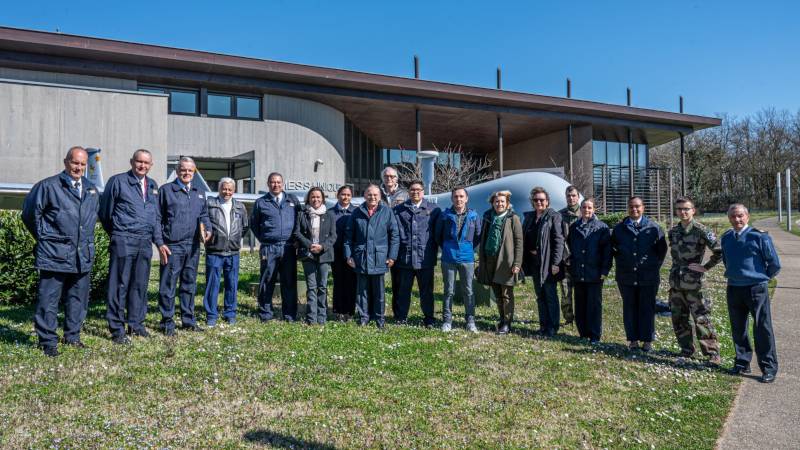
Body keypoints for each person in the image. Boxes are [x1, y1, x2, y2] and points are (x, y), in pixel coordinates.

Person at [22, 146, 100, 357]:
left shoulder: (91, 189)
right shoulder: (48, 186)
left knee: (78, 299)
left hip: (81, 255)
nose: (79, 167)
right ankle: (47, 341)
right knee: (49, 299)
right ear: (66, 162)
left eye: (83, 164)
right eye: (75, 163)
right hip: (53, 254)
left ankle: (72, 336)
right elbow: (30, 214)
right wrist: (46, 238)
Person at [99, 149, 159, 343]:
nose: (142, 165)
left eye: (146, 163)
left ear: (151, 165)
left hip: (144, 242)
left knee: (139, 284)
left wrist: (158, 241)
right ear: (131, 161)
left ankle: (136, 324)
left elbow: (155, 216)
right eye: (139, 161)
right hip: (123, 239)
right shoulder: (117, 181)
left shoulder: (153, 186)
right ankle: (117, 328)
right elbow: (105, 212)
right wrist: (118, 232)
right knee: (119, 285)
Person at [721, 204, 780, 383]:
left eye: (740, 216)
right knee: (738, 328)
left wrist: (760, 279)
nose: (737, 220)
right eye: (733, 217)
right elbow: (726, 260)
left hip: (756, 288)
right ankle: (742, 362)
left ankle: (768, 367)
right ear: (729, 218)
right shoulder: (727, 237)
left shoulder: (759, 237)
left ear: (747, 216)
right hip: (734, 288)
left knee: (762, 328)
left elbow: (774, 264)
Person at [154, 156, 212, 336]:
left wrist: (208, 228)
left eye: (190, 170)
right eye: (183, 170)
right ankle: (167, 322)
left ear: (194, 172)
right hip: (172, 246)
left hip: (193, 246)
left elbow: (204, 215)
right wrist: (160, 243)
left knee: (189, 284)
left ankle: (188, 320)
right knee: (168, 285)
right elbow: (156, 218)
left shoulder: (199, 191)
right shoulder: (166, 190)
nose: (186, 173)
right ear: (177, 171)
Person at [667, 197, 723, 365]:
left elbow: (719, 251)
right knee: (679, 318)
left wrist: (706, 267)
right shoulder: (673, 232)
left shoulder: (702, 230)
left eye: (686, 209)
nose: (682, 212)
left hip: (694, 284)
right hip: (676, 283)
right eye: (679, 209)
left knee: (701, 319)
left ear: (693, 210)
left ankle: (712, 354)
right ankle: (686, 350)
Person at [611, 196, 667, 352]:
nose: (634, 209)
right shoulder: (619, 229)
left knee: (647, 308)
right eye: (631, 207)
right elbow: (614, 249)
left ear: (643, 207)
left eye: (637, 206)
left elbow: (662, 250)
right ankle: (633, 340)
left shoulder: (654, 228)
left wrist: (653, 266)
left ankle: (647, 340)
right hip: (626, 276)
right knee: (629, 307)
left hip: (648, 276)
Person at [345, 184, 399, 328]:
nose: (372, 197)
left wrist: (392, 256)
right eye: (369, 194)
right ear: (365, 196)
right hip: (361, 258)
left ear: (380, 197)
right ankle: (364, 317)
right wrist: (349, 255)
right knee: (361, 291)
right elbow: (348, 237)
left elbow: (394, 236)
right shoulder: (357, 212)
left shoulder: (387, 212)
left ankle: (380, 318)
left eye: (375, 195)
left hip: (379, 258)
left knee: (379, 292)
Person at [250, 172, 301, 322]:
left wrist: (296, 240)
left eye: (278, 182)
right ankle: (265, 313)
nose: (276, 185)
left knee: (289, 281)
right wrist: (266, 239)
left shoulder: (292, 201)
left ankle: (289, 314)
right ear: (268, 184)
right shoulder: (261, 202)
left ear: (283, 183)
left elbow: (299, 221)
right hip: (269, 248)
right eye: (273, 182)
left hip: (288, 248)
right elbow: (254, 224)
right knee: (267, 280)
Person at [393, 180, 441, 326]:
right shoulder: (399, 210)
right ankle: (401, 317)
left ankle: (429, 318)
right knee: (403, 291)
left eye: (418, 190)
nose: (415, 192)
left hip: (424, 258)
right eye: (412, 190)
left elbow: (437, 234)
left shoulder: (434, 210)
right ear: (409, 192)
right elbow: (395, 233)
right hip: (405, 258)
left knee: (426, 291)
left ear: (423, 191)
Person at [202, 177, 249, 327]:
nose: (227, 192)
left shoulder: (240, 207)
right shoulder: (210, 204)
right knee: (212, 285)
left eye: (230, 189)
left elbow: (244, 227)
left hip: (233, 252)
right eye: (224, 188)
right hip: (215, 251)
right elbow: (203, 224)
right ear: (219, 188)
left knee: (232, 284)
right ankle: (211, 315)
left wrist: (233, 240)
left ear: (233, 190)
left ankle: (230, 313)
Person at [476, 190, 523, 335]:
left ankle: (507, 323)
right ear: (492, 203)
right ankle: (502, 319)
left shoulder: (512, 218)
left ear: (507, 203)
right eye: (497, 201)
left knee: (506, 293)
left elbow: (519, 242)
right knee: (496, 293)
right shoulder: (488, 217)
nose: (499, 204)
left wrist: (517, 263)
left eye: (502, 201)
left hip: (506, 261)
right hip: (490, 260)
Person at [436, 187, 482, 333]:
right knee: (448, 290)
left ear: (466, 198)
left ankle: (470, 321)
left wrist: (467, 248)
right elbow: (438, 236)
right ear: (452, 199)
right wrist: (448, 247)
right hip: (448, 257)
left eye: (461, 196)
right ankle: (447, 321)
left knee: (468, 290)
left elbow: (477, 237)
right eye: (456, 196)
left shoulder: (474, 215)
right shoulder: (445, 215)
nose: (459, 199)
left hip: (467, 258)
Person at [567, 198, 612, 343]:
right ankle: (583, 333)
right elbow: (569, 248)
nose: (587, 210)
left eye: (589, 208)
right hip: (578, 272)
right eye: (584, 207)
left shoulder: (602, 228)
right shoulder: (574, 227)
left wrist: (605, 270)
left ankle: (594, 334)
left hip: (595, 273)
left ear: (594, 210)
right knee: (580, 304)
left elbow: (607, 252)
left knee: (594, 305)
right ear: (580, 209)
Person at [522, 187, 565, 337]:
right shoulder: (529, 217)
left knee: (550, 294)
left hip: (548, 262)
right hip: (534, 262)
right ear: (532, 202)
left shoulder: (554, 216)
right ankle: (543, 325)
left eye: (542, 200)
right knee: (540, 294)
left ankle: (553, 326)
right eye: (536, 200)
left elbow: (559, 240)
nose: (539, 202)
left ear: (547, 202)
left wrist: (556, 263)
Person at [294, 187, 337, 325]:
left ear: (323, 198)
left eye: (318, 197)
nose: (315, 199)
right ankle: (311, 318)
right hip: (308, 255)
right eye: (313, 197)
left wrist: (322, 246)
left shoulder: (329, 215)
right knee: (311, 287)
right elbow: (297, 232)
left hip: (324, 255)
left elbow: (333, 236)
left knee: (323, 286)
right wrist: (310, 245)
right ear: (308, 199)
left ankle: (322, 318)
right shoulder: (302, 214)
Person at [380, 165, 408, 318]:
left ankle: (398, 314)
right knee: (379, 281)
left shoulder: (405, 194)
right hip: (381, 243)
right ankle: (380, 312)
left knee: (398, 282)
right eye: (386, 176)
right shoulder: (377, 193)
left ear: (397, 178)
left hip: (399, 244)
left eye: (392, 176)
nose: (389, 179)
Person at [331, 185, 357, 320]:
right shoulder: (330, 213)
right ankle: (338, 310)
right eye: (343, 194)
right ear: (338, 195)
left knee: (351, 282)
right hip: (335, 253)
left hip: (352, 253)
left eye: (348, 195)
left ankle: (350, 311)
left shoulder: (356, 212)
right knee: (338, 281)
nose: (345, 197)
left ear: (351, 197)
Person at [559, 185, 581, 326]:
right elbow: (559, 238)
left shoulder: (586, 212)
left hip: (581, 262)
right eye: (568, 196)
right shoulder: (560, 215)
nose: (571, 198)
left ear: (578, 197)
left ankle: (580, 318)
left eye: (573, 195)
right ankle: (568, 319)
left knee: (581, 293)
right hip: (565, 260)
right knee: (565, 293)